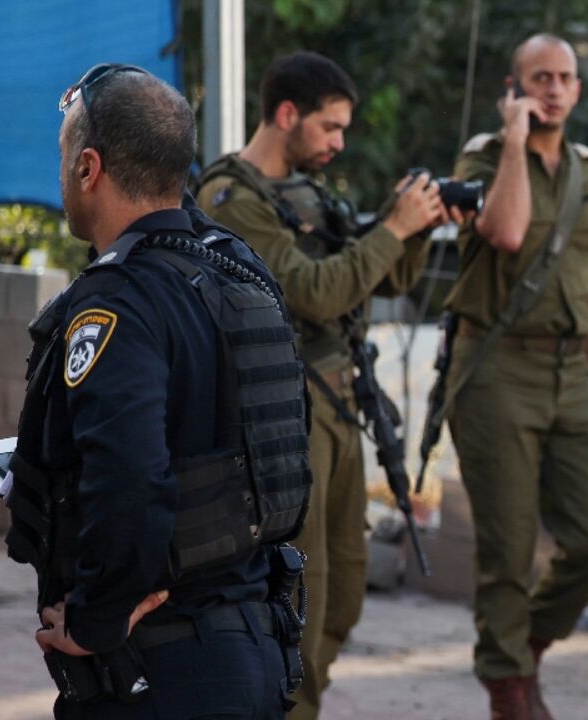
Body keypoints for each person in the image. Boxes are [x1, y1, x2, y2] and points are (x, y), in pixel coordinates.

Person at [4, 64, 310, 719]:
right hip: (256, 651)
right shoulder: (240, 273)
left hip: (159, 673)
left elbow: (132, 483)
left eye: (64, 156)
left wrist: (95, 619)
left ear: (88, 168)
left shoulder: (116, 304)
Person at [196, 51, 458, 720]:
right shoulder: (230, 200)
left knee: (344, 592)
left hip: (341, 407)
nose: (340, 143)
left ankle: (299, 697)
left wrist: (417, 228)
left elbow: (382, 279)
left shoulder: (311, 194)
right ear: (287, 115)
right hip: (286, 413)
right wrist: (393, 228)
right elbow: (313, 294)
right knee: (300, 600)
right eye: (330, 127)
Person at [444, 33, 588, 719]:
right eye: (539, 78)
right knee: (508, 549)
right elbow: (509, 232)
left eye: (565, 77)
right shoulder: (483, 158)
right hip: (497, 367)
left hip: (571, 369)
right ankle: (509, 690)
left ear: (578, 89)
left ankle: (526, 648)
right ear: (515, 90)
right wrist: (515, 141)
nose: (554, 88)